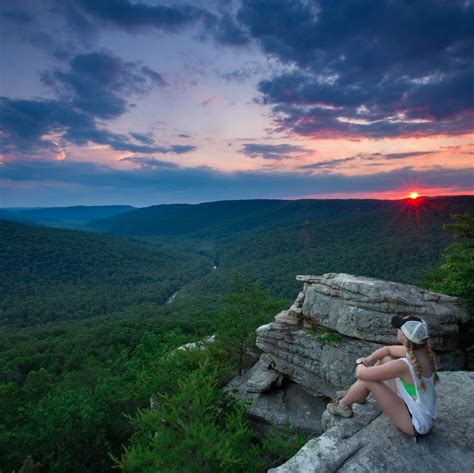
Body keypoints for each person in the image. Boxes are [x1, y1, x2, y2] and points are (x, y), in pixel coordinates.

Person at [326, 315, 439, 443]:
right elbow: (388, 350)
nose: (397, 330)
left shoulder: (403, 365)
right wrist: (368, 360)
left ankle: (343, 405)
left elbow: (362, 374)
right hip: (419, 411)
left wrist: (360, 362)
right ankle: (357, 394)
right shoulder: (422, 353)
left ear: (404, 337)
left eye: (399, 329)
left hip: (416, 423)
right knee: (385, 359)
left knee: (367, 380)